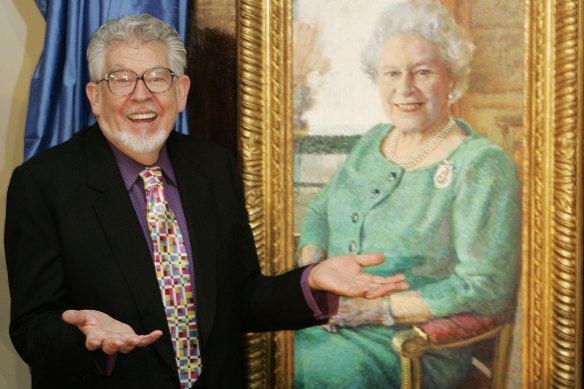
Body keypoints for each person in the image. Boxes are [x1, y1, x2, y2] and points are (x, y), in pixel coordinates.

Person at [3, 14, 409, 389]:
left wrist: (312, 279)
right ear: (94, 96)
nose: (141, 96)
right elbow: (31, 327)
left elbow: (240, 298)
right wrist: (87, 337)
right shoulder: (42, 184)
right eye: (122, 79)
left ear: (181, 92)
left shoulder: (212, 167)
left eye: (158, 78)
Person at [293, 0, 521, 388]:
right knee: (249, 348)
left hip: (411, 347)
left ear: (452, 78)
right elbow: (318, 212)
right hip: (331, 321)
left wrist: (373, 311)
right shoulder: (372, 143)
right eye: (392, 73)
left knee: (304, 368)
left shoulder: (481, 164)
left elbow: (482, 288)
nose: (404, 88)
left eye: (422, 71)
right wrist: (314, 278)